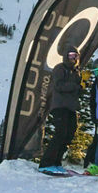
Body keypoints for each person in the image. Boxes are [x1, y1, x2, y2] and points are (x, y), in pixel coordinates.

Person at [38, 44, 83, 174]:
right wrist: (76, 86)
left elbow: (75, 91)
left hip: (71, 107)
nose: (73, 59)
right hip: (59, 106)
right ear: (65, 56)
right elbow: (58, 86)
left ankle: (56, 162)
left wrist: (81, 86)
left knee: (69, 134)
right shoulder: (60, 68)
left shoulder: (76, 72)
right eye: (70, 56)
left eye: (76, 56)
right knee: (60, 133)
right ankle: (46, 163)